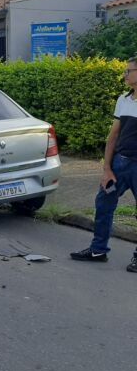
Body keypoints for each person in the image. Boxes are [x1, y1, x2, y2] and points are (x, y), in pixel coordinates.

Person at [71, 56, 137, 273]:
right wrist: (107, 168)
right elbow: (113, 137)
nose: (125, 75)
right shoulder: (124, 100)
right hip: (120, 164)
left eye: (129, 71)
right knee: (104, 205)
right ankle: (98, 250)